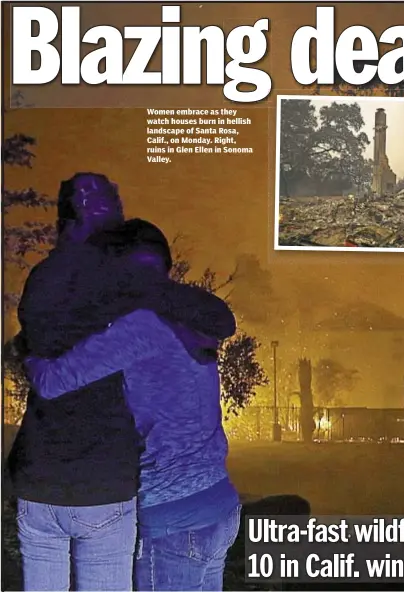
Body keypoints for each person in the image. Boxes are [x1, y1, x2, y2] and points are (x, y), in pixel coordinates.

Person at [9, 173, 236, 592]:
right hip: (205, 500)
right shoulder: (175, 316)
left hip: (156, 507)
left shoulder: (130, 322)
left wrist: (28, 354)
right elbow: (221, 319)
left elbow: (53, 379)